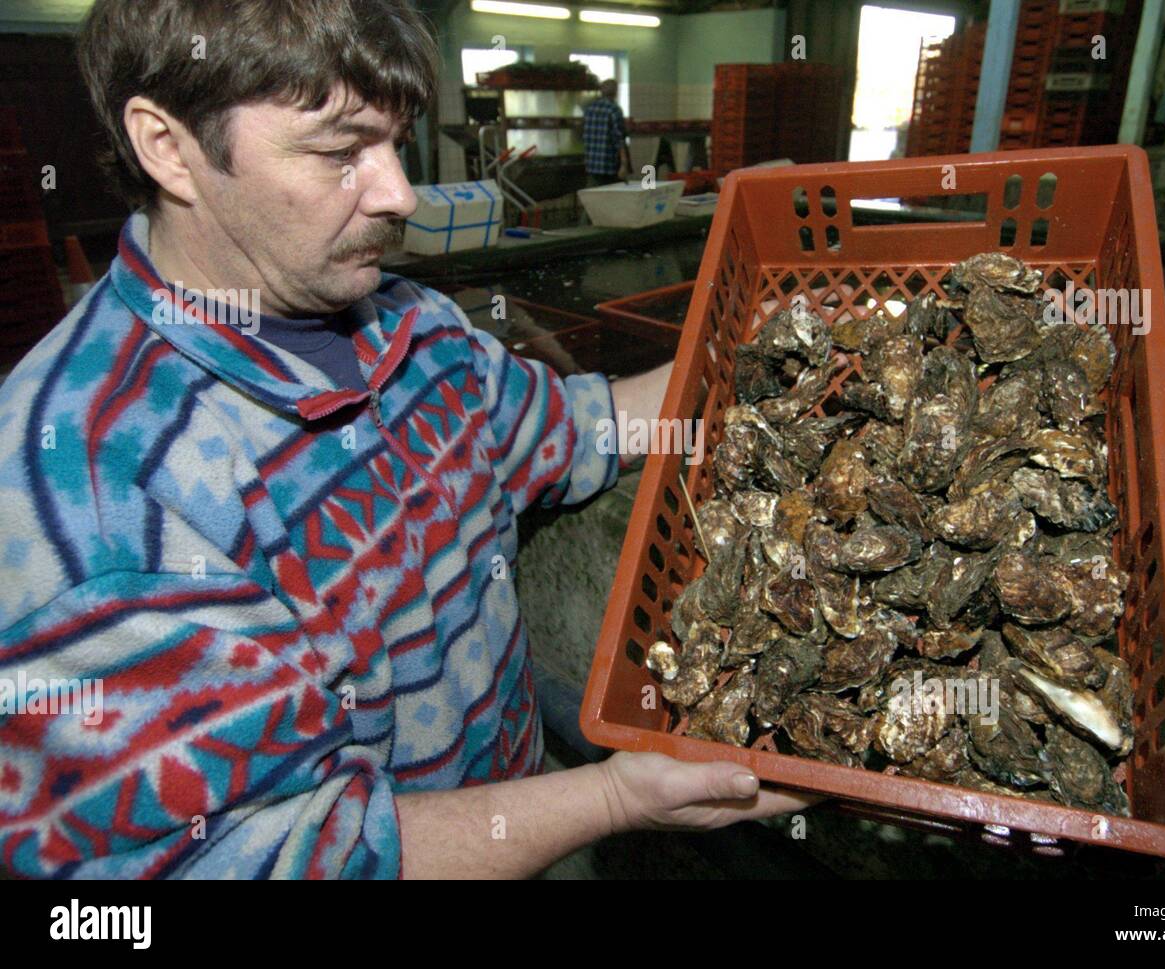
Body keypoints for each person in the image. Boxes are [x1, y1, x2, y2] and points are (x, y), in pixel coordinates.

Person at [0, 0, 814, 880]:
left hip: (531, 829)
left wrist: (765, 356)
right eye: (339, 152)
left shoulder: (416, 328)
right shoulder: (91, 485)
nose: (399, 193)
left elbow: (587, 426)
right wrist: (614, 800)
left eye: (395, 142)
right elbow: (264, 860)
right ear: (169, 146)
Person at [581, 78, 631, 187]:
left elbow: (584, 135)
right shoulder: (614, 109)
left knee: (594, 200)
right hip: (609, 166)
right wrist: (624, 163)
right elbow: (619, 138)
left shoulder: (589, 109)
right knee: (614, 199)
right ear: (616, 92)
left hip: (592, 165)